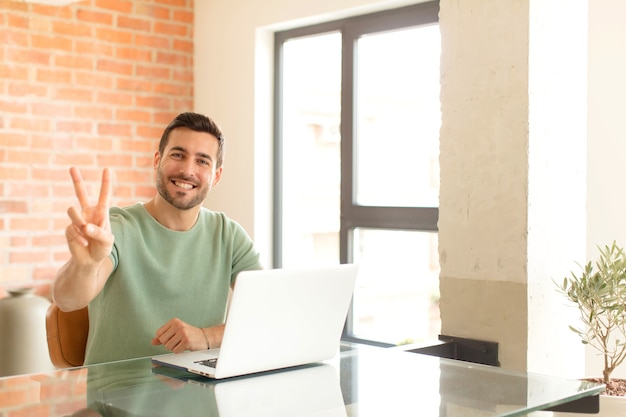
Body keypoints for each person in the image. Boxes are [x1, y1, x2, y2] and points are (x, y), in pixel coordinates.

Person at [52, 112, 262, 365]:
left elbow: (268, 313)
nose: (187, 170)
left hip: (199, 397)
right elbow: (67, 299)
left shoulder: (229, 235)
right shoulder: (117, 227)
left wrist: (206, 336)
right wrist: (84, 266)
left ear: (216, 176)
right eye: (178, 155)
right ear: (157, 160)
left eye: (203, 161)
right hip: (117, 398)